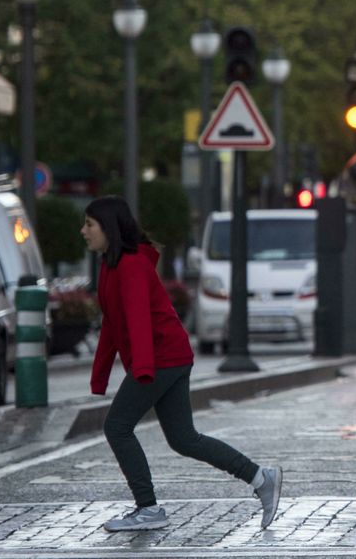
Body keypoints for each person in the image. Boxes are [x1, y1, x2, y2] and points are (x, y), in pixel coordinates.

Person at [83, 196, 281, 532]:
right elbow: (113, 325)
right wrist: (100, 376)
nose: (83, 231)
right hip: (168, 356)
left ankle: (148, 508)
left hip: (161, 358)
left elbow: (139, 321)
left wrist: (142, 368)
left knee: (116, 427)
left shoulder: (129, 265)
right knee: (184, 439)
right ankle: (261, 478)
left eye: (90, 224)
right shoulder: (112, 265)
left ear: (109, 227)